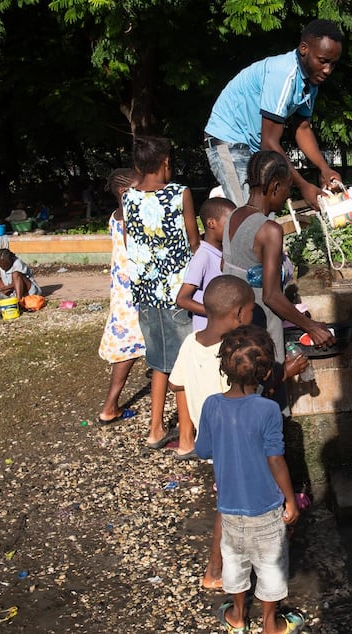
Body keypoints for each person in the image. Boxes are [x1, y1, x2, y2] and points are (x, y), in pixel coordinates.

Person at [168, 275, 308, 590]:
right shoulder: (232, 356)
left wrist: (189, 428)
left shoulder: (191, 343)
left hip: (213, 438)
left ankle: (233, 565)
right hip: (239, 443)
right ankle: (216, 569)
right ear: (239, 314)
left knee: (229, 501)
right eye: (251, 311)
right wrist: (286, 372)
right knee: (231, 507)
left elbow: (176, 384)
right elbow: (249, 396)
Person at [195, 324, 304, 634]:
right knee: (270, 566)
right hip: (266, 508)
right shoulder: (268, 409)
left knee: (235, 563)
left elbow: (203, 449)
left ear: (223, 366)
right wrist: (291, 500)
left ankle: (238, 617)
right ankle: (271, 623)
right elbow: (275, 459)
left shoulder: (212, 405)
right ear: (267, 371)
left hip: (229, 507)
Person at [203, 19, 344, 208]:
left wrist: (324, 169)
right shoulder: (283, 75)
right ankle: (228, 196)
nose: (327, 70)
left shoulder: (311, 82)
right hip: (228, 141)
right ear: (304, 49)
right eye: (323, 61)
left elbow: (302, 128)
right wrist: (303, 186)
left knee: (264, 210)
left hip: (254, 147)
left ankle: (229, 197)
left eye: (333, 64)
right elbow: (269, 143)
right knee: (249, 212)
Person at [223, 151, 335, 375]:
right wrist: (311, 327)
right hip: (260, 330)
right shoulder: (270, 230)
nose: (288, 195)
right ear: (275, 187)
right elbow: (271, 296)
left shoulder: (234, 216)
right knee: (269, 385)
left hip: (235, 328)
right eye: (288, 188)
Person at [124, 135, 200, 451]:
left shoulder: (128, 198)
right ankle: (186, 438)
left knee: (159, 361)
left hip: (144, 294)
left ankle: (155, 429)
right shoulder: (179, 193)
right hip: (177, 294)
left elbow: (129, 242)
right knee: (184, 362)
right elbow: (194, 242)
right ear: (166, 161)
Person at [97, 168, 146, 425]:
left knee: (132, 345)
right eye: (140, 188)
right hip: (131, 293)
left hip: (121, 291)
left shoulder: (115, 216)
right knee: (129, 349)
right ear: (123, 191)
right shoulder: (130, 218)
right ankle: (110, 407)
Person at [176, 197, 236, 332]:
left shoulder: (224, 252)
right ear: (211, 223)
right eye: (230, 222)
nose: (234, 227)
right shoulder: (203, 256)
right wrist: (216, 314)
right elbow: (182, 299)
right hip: (208, 331)